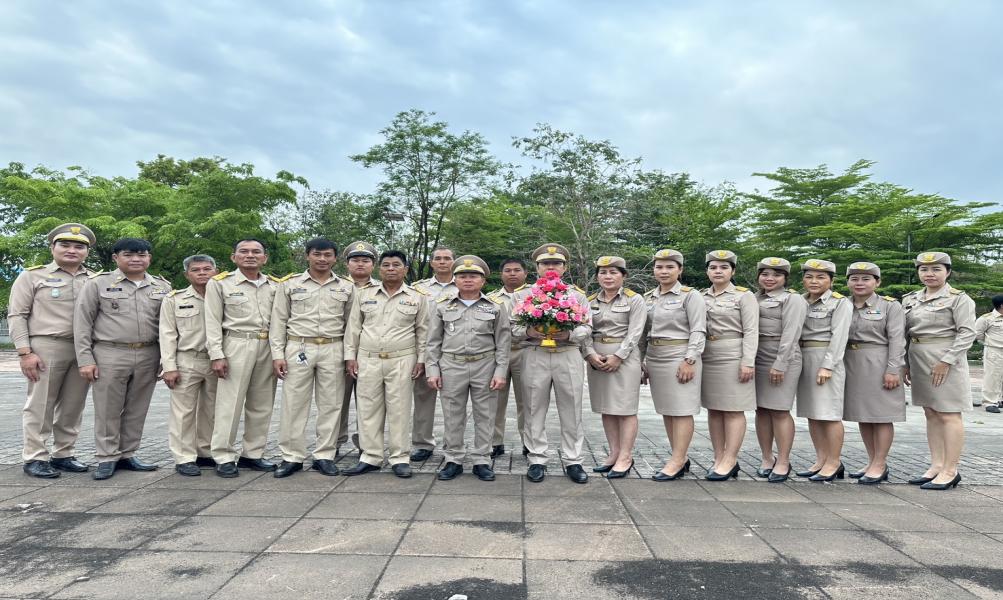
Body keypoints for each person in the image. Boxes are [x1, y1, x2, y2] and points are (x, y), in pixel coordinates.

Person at [74, 238, 171, 480]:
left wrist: (167, 358)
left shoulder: (162, 287)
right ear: (116, 258)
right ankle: (107, 457)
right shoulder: (97, 283)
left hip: (149, 353)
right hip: (110, 352)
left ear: (149, 258)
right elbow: (82, 323)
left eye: (142, 254)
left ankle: (128, 453)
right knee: (108, 407)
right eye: (129, 254)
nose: (136, 259)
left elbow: (168, 326)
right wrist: (85, 359)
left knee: (138, 408)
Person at [10, 223, 97, 478]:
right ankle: (35, 457)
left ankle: (64, 454)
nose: (72, 250)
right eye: (65, 245)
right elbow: (17, 315)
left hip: (84, 349)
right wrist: (25, 352)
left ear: (87, 251)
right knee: (40, 404)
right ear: (52, 248)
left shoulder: (95, 279)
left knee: (73, 404)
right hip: (47, 346)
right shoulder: (32, 276)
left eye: (79, 246)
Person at [271, 238, 355, 478]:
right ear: (307, 255)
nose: (322, 259)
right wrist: (277, 355)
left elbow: (352, 325)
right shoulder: (290, 284)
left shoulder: (346, 287)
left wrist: (349, 355)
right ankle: (292, 456)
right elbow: (278, 321)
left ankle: (324, 455)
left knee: (332, 404)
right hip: (299, 346)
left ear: (335, 258)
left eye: (328, 255)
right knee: (294, 403)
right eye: (317, 254)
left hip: (333, 347)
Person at [343, 250, 429, 478]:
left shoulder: (417, 297)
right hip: (368, 359)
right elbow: (353, 328)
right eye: (387, 265)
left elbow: (423, 331)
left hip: (402, 359)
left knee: (399, 410)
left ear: (405, 269)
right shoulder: (364, 295)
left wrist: (422, 360)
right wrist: (350, 356)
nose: (391, 269)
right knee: (368, 409)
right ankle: (370, 457)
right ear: (379, 269)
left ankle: (399, 458)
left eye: (396, 265)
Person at [512, 243, 592, 484]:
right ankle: (537, 458)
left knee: (572, 408)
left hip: (567, 353)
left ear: (565, 267)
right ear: (537, 267)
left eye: (556, 263)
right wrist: (529, 331)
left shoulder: (577, 295)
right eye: (545, 263)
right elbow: (512, 328)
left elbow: (587, 326)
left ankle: (573, 459)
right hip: (535, 352)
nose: (551, 267)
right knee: (533, 407)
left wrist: (569, 334)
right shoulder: (522, 295)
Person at [426, 255, 511, 481]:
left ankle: (482, 459)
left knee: (486, 414)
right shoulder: (443, 306)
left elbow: (503, 343)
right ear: (455, 280)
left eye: (474, 276)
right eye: (462, 276)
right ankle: (453, 458)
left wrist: (500, 372)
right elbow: (432, 341)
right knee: (452, 414)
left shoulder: (495, 307)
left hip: (485, 365)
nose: (468, 280)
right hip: (451, 365)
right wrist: (432, 370)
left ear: (483, 281)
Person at [205, 239, 281, 478]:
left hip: (266, 345)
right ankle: (223, 455)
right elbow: (212, 322)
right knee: (229, 404)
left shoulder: (275, 285)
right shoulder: (220, 283)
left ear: (264, 258)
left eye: (256, 252)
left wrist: (279, 353)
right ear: (233, 257)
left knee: (262, 404)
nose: (250, 255)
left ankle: (253, 454)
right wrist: (217, 355)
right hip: (236, 343)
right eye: (244, 251)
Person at [902, 252, 976, 490]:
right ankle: (936, 465)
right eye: (924, 269)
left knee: (949, 414)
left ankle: (950, 469)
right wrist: (905, 362)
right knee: (931, 413)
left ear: (948, 272)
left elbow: (967, 333)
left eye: (936, 269)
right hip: (918, 356)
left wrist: (947, 361)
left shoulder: (959, 299)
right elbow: (906, 333)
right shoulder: (910, 299)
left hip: (945, 358)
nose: (929, 274)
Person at [640, 249, 705, 481]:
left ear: (680, 270)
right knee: (668, 410)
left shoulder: (690, 296)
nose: (664, 271)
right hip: (655, 356)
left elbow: (698, 329)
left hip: (680, 355)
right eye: (659, 267)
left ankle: (677, 460)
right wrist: (641, 361)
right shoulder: (648, 298)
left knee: (682, 410)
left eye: (670, 267)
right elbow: (642, 333)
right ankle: (679, 456)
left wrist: (690, 359)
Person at [841, 262, 906, 485]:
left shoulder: (889, 306)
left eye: (866, 279)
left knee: (881, 416)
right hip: (851, 362)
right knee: (863, 415)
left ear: (877, 282)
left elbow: (897, 339)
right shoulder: (843, 305)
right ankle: (871, 460)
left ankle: (880, 462)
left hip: (879, 362)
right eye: (854, 279)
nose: (859, 283)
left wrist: (893, 369)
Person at [583, 256, 645, 478]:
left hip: (625, 358)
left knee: (625, 409)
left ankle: (626, 456)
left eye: (613, 272)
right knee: (606, 407)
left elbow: (636, 332)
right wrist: (589, 354)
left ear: (623, 275)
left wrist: (618, 356)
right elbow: (583, 330)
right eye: (603, 272)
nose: (607, 277)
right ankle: (614, 453)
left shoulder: (634, 299)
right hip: (597, 358)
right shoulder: (589, 301)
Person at [159, 254, 219, 476]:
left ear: (216, 271)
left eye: (206, 269)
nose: (202, 273)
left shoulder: (224, 296)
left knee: (212, 409)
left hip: (216, 360)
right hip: (187, 359)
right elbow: (167, 334)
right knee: (183, 411)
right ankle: (184, 457)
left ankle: (206, 451)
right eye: (196, 270)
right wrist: (169, 367)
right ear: (187, 275)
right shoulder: (174, 299)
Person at [701, 250, 758, 481]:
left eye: (724, 267)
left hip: (734, 354)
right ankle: (718, 456)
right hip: (708, 355)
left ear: (732, 271)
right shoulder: (700, 296)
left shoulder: (744, 296)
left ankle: (730, 458)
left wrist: (748, 361)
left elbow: (752, 330)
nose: (718, 271)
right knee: (714, 409)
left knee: (733, 409)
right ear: (707, 271)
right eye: (713, 267)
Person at [796, 259, 851, 483]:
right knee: (813, 413)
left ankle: (834, 461)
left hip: (826, 358)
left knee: (829, 414)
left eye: (820, 277)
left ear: (831, 280)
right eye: (809, 277)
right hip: (804, 357)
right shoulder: (800, 301)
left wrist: (828, 366)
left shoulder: (840, 302)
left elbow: (840, 336)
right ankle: (821, 459)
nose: (814, 281)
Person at [753, 257, 806, 483]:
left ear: (785, 278)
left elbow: (792, 333)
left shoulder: (792, 299)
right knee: (761, 410)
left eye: (776, 275)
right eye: (765, 274)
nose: (770, 278)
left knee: (780, 410)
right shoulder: (754, 298)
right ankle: (767, 457)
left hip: (782, 356)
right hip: (757, 355)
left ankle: (783, 461)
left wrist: (780, 363)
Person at [409, 246, 458, 462]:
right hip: (425, 349)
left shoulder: (464, 284)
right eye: (438, 258)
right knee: (423, 398)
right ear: (431, 263)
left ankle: (453, 444)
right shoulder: (418, 288)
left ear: (454, 261)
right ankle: (422, 443)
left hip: (453, 349)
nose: (442, 262)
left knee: (454, 402)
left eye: (447, 258)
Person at [337, 241, 380, 453]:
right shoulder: (336, 285)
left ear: (373, 265)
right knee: (337, 401)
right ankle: (334, 442)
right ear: (347, 264)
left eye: (365, 260)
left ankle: (366, 443)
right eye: (355, 260)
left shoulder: (381, 288)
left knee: (369, 402)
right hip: (338, 351)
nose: (360, 264)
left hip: (370, 353)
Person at [486, 258, 529, 458]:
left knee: (527, 401)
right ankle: (495, 442)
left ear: (525, 273)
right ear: (501, 274)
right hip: (497, 354)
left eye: (517, 270)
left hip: (525, 351)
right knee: (495, 400)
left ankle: (529, 442)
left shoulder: (535, 297)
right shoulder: (490, 299)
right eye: (508, 270)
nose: (512, 274)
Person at [976, 295, 1003, 413]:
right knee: (992, 377)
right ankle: (990, 402)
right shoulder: (987, 318)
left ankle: (1000, 399)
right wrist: (989, 343)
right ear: (1001, 305)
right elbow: (978, 334)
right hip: (994, 351)